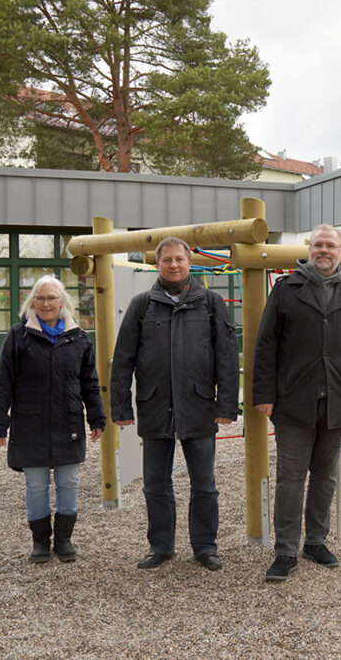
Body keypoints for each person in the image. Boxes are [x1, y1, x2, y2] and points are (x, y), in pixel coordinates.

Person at [253, 224, 341, 581]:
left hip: (339, 399)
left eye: (331, 245)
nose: (324, 250)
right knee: (290, 478)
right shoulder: (287, 289)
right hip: (293, 400)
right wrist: (263, 395)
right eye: (318, 244)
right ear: (309, 249)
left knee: (325, 477)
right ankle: (285, 551)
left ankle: (316, 541)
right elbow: (266, 346)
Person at [110, 236, 239, 572]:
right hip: (155, 407)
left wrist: (227, 405)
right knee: (155, 483)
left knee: (205, 485)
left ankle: (205, 546)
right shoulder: (141, 306)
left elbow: (227, 358)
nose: (173, 265)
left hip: (198, 406)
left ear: (189, 261)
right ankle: (161, 545)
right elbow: (122, 361)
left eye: (179, 260)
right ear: (157, 264)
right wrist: (121, 408)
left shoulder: (211, 303)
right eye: (167, 260)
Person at [0, 275, 105, 563]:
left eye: (52, 298)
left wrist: (97, 417)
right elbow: (2, 382)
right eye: (40, 298)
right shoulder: (19, 336)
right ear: (32, 302)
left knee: (69, 483)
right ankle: (40, 542)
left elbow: (90, 382)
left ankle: (63, 540)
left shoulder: (79, 338)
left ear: (63, 301)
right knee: (36, 485)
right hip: (30, 423)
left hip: (68, 423)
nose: (46, 303)